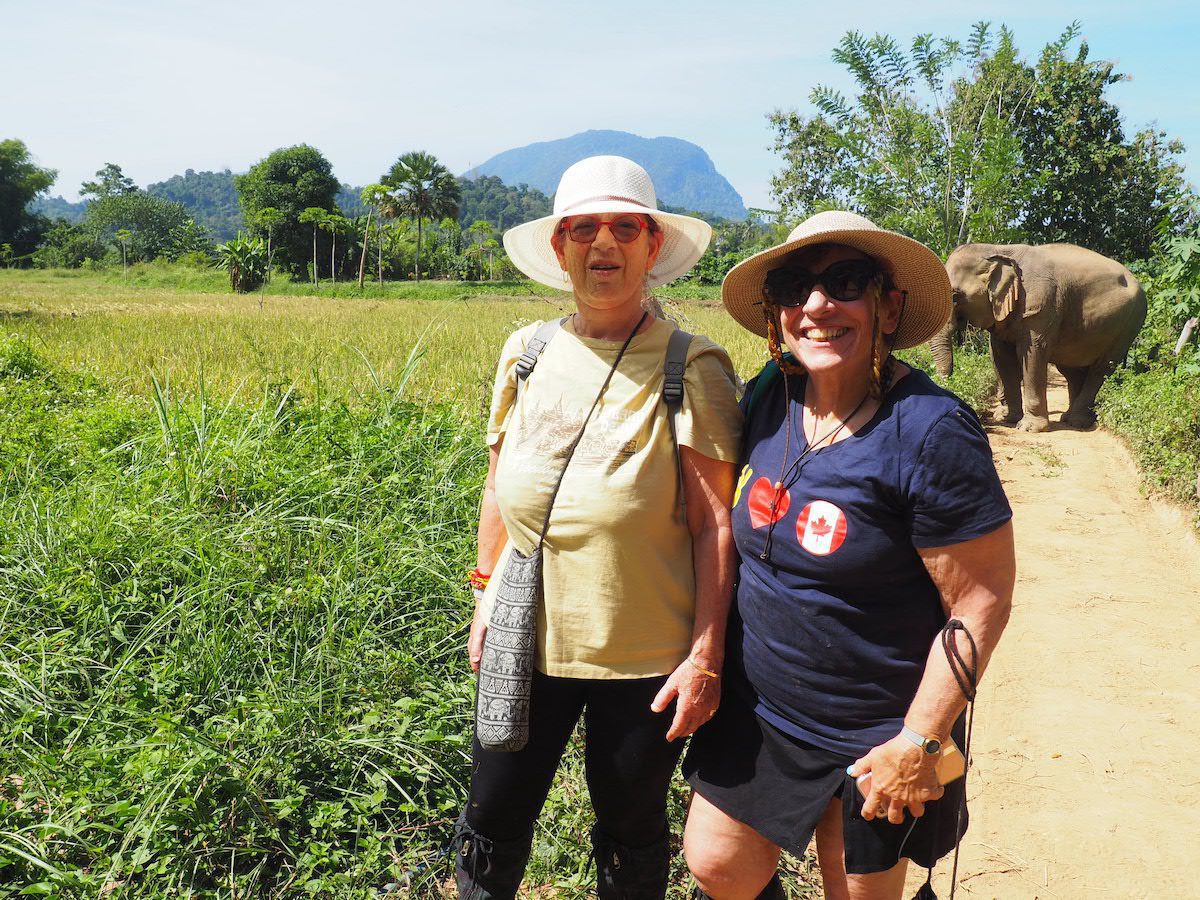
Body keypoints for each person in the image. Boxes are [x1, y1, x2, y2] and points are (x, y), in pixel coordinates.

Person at [682, 211, 1016, 900]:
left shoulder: (930, 431)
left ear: (888, 307)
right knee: (718, 863)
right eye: (793, 286)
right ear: (775, 313)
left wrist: (920, 741)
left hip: (874, 729)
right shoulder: (771, 394)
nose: (817, 305)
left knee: (858, 894)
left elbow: (980, 600)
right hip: (763, 708)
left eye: (845, 281)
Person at [455, 156, 743, 899]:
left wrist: (706, 657)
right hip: (528, 633)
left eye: (625, 228)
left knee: (630, 825)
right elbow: (497, 482)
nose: (602, 244)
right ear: (560, 249)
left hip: (643, 654)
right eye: (584, 229)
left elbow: (716, 529)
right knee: (493, 814)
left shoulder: (693, 367)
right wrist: (485, 587)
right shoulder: (526, 352)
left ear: (653, 248)